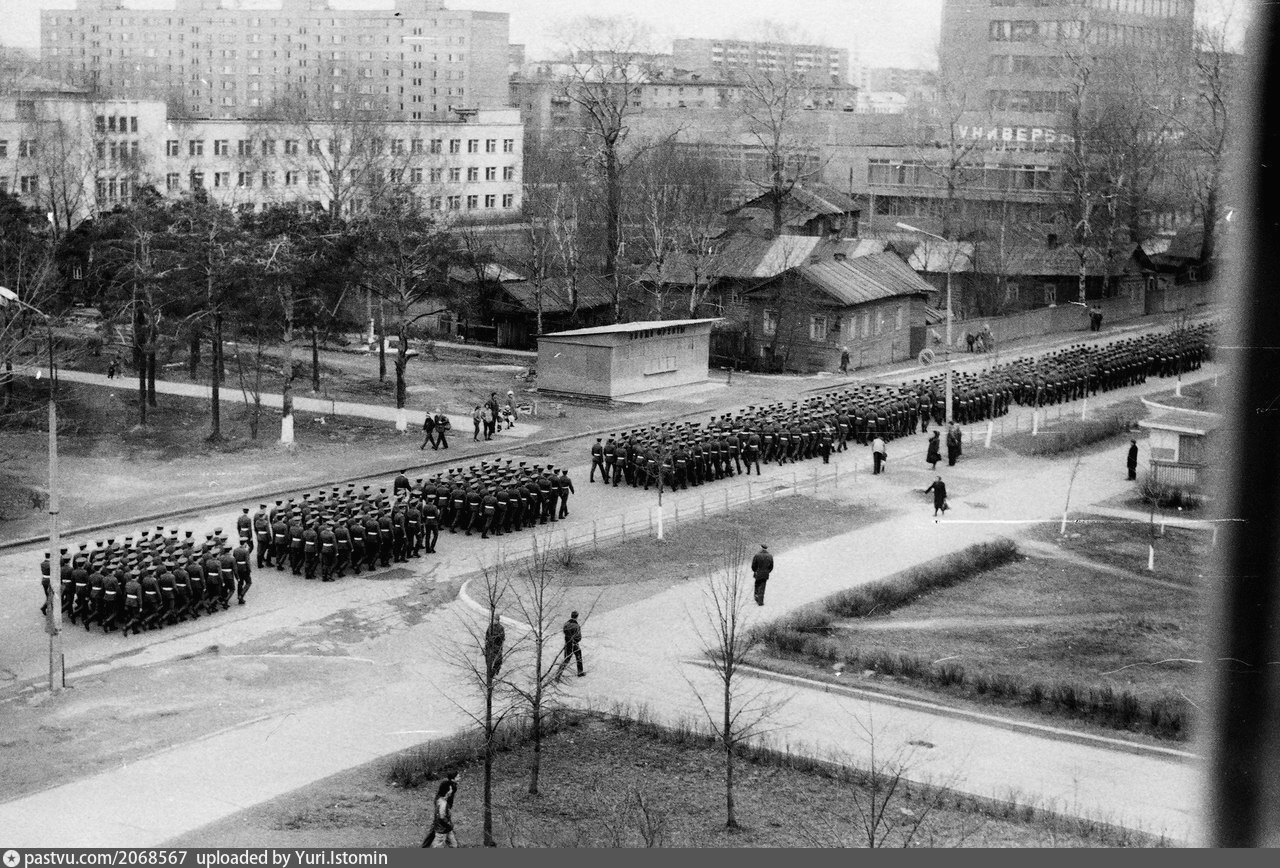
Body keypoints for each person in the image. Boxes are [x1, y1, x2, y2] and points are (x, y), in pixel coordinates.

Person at [421, 773, 460, 848]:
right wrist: (445, 809)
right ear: (452, 779)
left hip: (445, 808)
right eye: (458, 776)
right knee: (440, 828)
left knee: (447, 830)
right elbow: (441, 816)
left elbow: (450, 800)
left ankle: (455, 845)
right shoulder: (446, 787)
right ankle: (425, 846)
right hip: (443, 808)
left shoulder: (453, 786)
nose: (460, 777)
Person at [555, 611, 585, 679]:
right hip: (574, 644)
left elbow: (565, 632)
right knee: (578, 656)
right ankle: (580, 672)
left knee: (566, 659)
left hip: (568, 643)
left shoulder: (566, 624)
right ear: (577, 616)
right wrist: (576, 640)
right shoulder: (577, 626)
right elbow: (579, 637)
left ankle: (558, 674)